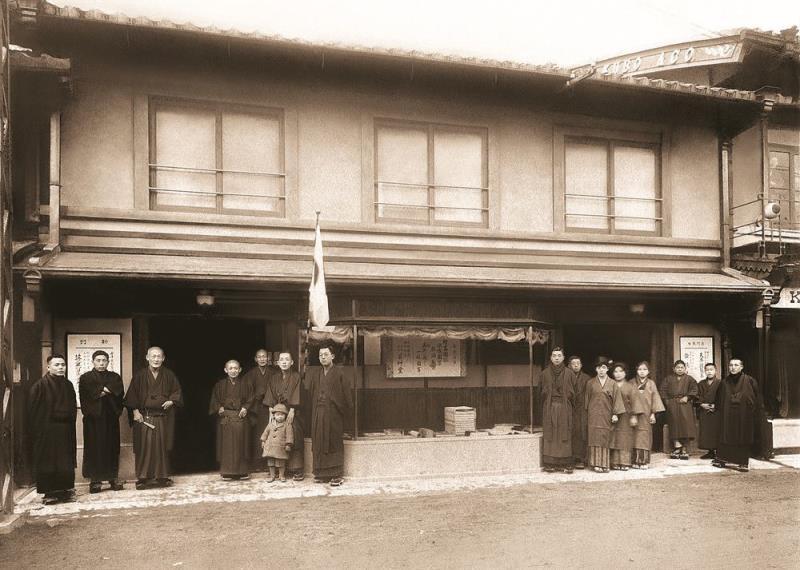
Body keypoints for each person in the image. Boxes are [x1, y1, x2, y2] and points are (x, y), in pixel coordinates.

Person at [123, 346, 183, 490]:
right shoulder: (140, 376)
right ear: (147, 358)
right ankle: (143, 478)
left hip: (162, 417)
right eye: (153, 356)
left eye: (159, 357)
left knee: (161, 447)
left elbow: (177, 392)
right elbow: (132, 395)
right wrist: (135, 412)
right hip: (144, 418)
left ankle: (162, 476)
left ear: (163, 358)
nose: (156, 359)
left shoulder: (169, 375)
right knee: (144, 447)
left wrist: (172, 401)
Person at [29, 355, 77, 505]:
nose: (61, 367)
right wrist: (40, 429)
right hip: (47, 430)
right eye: (56, 365)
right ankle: (49, 493)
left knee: (65, 460)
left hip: (65, 429)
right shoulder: (40, 385)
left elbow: (72, 406)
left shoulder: (68, 384)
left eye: (63, 364)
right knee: (48, 461)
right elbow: (33, 410)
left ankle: (65, 491)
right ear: (48, 367)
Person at [304, 345, 353, 486]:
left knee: (333, 441)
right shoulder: (316, 374)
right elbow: (311, 394)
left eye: (326, 354)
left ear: (333, 356)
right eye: (320, 355)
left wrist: (341, 411)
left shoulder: (340, 374)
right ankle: (321, 473)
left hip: (334, 414)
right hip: (318, 413)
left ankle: (336, 474)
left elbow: (347, 397)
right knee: (319, 441)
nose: (323, 357)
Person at [78, 350, 125, 493]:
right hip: (93, 419)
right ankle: (95, 481)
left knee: (112, 447)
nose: (101, 363)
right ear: (92, 361)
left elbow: (118, 392)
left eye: (104, 360)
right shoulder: (86, 377)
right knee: (94, 448)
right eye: (98, 360)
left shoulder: (115, 377)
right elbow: (87, 395)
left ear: (108, 362)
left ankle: (112, 478)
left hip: (110, 417)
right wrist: (106, 390)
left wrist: (100, 391)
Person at [713, 358, 763, 473]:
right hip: (727, 415)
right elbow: (719, 399)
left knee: (743, 437)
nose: (733, 367)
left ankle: (743, 463)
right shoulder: (724, 382)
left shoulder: (750, 380)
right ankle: (722, 460)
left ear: (741, 367)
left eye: (736, 365)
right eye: (731, 365)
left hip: (744, 415)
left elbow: (757, 398)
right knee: (726, 435)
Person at [209, 360, 254, 480]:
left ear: (240, 370)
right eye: (230, 368)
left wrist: (246, 407)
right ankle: (226, 472)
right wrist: (219, 407)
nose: (233, 371)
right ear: (226, 370)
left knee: (241, 445)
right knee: (227, 446)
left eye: (236, 368)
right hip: (226, 418)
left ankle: (242, 471)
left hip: (240, 418)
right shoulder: (220, 385)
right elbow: (215, 400)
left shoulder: (246, 384)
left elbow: (251, 398)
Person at [264, 351, 305, 481]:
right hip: (277, 412)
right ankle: (279, 469)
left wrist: (292, 409)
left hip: (292, 411)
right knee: (276, 439)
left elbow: (298, 394)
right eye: (281, 359)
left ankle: (297, 469)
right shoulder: (274, 378)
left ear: (292, 362)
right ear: (277, 362)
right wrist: (271, 411)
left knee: (294, 435)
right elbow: (270, 395)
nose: (284, 362)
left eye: (287, 359)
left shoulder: (296, 377)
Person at [584, 357, 625, 473]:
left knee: (605, 438)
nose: (601, 370)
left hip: (607, 414)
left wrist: (615, 414)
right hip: (593, 415)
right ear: (595, 369)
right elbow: (586, 400)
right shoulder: (590, 383)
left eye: (603, 367)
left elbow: (617, 400)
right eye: (598, 368)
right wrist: (587, 413)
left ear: (607, 369)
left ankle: (604, 464)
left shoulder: (613, 384)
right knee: (594, 438)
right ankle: (595, 464)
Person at [540, 347, 575, 473]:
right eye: (554, 355)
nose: (556, 358)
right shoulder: (544, 373)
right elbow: (540, 392)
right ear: (551, 358)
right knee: (551, 433)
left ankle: (566, 463)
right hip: (549, 406)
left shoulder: (570, 373)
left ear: (563, 358)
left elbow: (574, 393)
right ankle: (550, 463)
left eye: (559, 355)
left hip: (565, 407)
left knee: (564, 432)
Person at [660, 359, 698, 460]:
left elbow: (694, 389)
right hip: (673, 404)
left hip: (685, 404)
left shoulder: (690, 379)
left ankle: (684, 448)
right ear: (674, 369)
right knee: (674, 424)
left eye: (682, 367)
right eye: (678, 367)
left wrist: (688, 397)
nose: (680, 369)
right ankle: (677, 446)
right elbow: (663, 390)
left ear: (685, 369)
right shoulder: (668, 379)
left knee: (686, 425)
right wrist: (668, 401)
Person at [609, 363, 644, 471]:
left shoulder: (630, 386)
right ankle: (614, 462)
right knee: (614, 438)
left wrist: (634, 416)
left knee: (625, 438)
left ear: (625, 373)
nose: (618, 374)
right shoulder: (610, 385)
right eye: (615, 371)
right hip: (613, 415)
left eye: (621, 371)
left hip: (626, 415)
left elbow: (635, 402)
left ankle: (625, 462)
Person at [630, 361, 664, 469]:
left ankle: (644, 461)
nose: (642, 372)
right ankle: (635, 460)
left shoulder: (651, 383)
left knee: (645, 437)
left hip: (647, 414)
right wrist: (632, 414)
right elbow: (628, 399)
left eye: (644, 369)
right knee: (634, 437)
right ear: (636, 370)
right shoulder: (631, 383)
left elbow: (655, 399)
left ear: (648, 371)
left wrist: (653, 414)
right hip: (634, 415)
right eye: (640, 369)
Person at [242, 349, 271, 471]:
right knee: (256, 435)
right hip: (255, 409)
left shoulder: (274, 373)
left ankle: (268, 463)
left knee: (269, 434)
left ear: (268, 358)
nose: (262, 359)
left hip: (269, 408)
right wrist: (255, 398)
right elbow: (246, 393)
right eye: (259, 357)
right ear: (255, 359)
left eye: (264, 356)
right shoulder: (250, 374)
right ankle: (257, 463)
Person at [261, 402, 294, 482]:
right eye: (278, 415)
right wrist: (263, 441)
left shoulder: (287, 425)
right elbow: (265, 433)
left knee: (281, 462)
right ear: (274, 416)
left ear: (285, 415)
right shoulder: (270, 424)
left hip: (280, 447)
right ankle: (272, 476)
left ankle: (281, 475)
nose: (280, 417)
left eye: (282, 415)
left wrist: (288, 444)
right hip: (270, 446)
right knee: (271, 462)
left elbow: (289, 435)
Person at [568, 355, 590, 469]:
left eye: (578, 363)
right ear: (569, 365)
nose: (576, 365)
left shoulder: (587, 378)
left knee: (582, 433)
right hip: (569, 408)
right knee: (569, 432)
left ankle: (581, 459)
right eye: (573, 363)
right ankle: (569, 458)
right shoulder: (565, 377)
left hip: (582, 409)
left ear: (581, 365)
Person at [696, 362, 721, 460]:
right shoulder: (701, 384)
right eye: (707, 370)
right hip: (704, 410)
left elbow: (724, 396)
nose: (709, 372)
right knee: (706, 431)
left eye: (711, 370)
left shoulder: (721, 383)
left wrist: (716, 405)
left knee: (716, 430)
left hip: (716, 410)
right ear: (704, 371)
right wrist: (701, 404)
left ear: (715, 371)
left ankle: (718, 452)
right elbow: (697, 396)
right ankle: (710, 452)